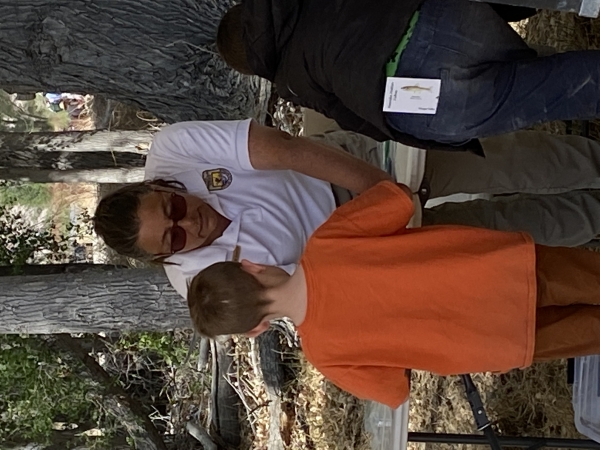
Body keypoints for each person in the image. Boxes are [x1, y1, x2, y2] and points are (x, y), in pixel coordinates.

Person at [187, 180, 600, 408]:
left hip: (497, 341)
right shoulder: (326, 242)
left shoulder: (326, 355)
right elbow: (397, 199)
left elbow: (395, 392)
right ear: (253, 266)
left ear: (257, 329)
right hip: (500, 269)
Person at [94, 119, 600, 299]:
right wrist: (380, 232)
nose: (189, 223)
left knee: (501, 163)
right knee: (502, 234)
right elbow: (303, 286)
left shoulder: (174, 150)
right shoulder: (197, 282)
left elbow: (283, 149)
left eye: (175, 207)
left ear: (161, 185)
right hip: (359, 246)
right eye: (176, 239)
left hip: (345, 167)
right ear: (166, 258)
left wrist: (378, 186)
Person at [218, 0, 600, 153]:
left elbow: (356, 119)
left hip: (422, 100)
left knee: (554, 90)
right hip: (439, 19)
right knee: (541, 71)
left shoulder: (292, 81)